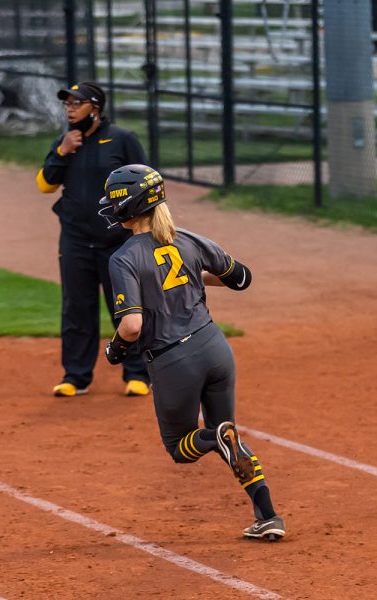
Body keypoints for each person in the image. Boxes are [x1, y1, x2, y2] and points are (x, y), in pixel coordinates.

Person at [100, 164, 285, 541]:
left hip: (173, 361)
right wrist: (194, 272)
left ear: (128, 207)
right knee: (227, 435)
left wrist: (115, 349)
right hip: (214, 347)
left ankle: (216, 437)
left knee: (182, 447)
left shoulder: (123, 257)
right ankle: (268, 514)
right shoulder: (190, 240)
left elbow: (132, 325)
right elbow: (241, 278)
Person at [36, 81, 150, 398]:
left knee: (127, 307)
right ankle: (76, 376)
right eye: (67, 104)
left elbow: (146, 179)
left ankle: (138, 373)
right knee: (76, 308)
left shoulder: (123, 140)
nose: (70, 109)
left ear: (95, 107)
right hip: (75, 238)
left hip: (118, 241)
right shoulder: (66, 141)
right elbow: (45, 184)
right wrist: (63, 151)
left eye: (77, 103)